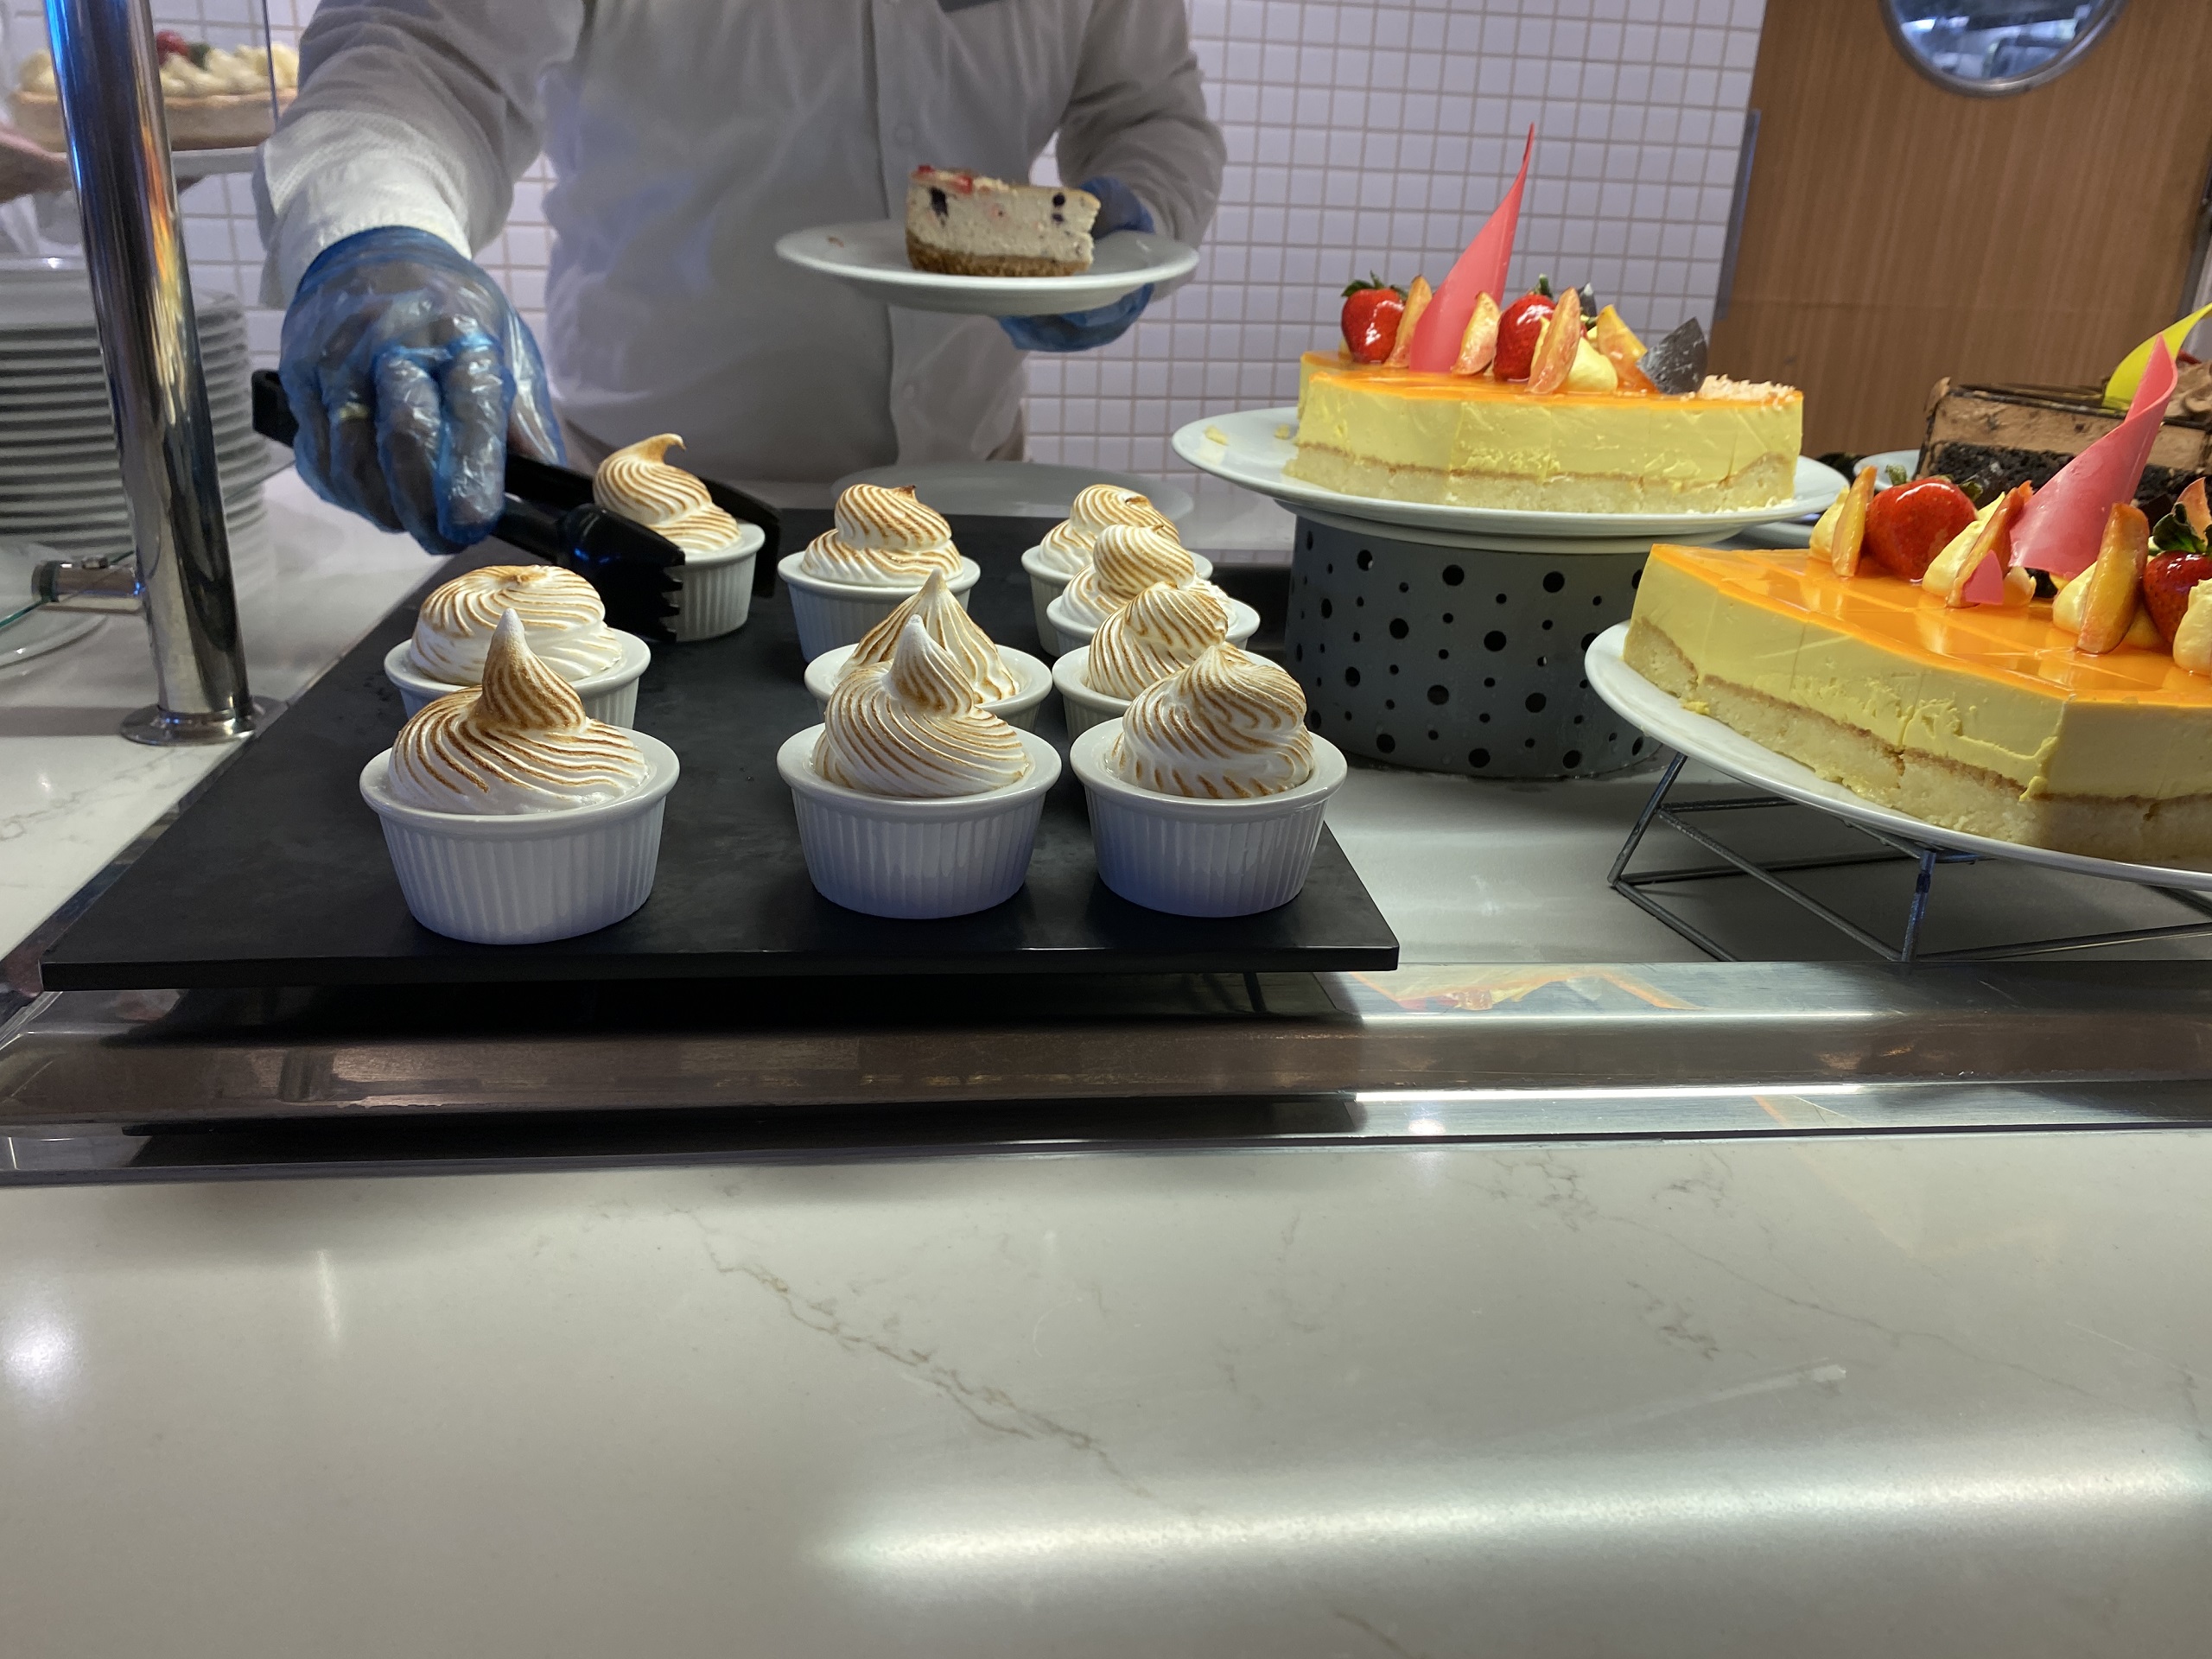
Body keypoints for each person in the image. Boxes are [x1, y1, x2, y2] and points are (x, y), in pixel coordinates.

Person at [256, 0, 1224, 555]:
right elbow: (416, 55)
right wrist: (376, 234)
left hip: (975, 498)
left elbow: (1150, 110)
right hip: (659, 518)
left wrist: (1143, 215)